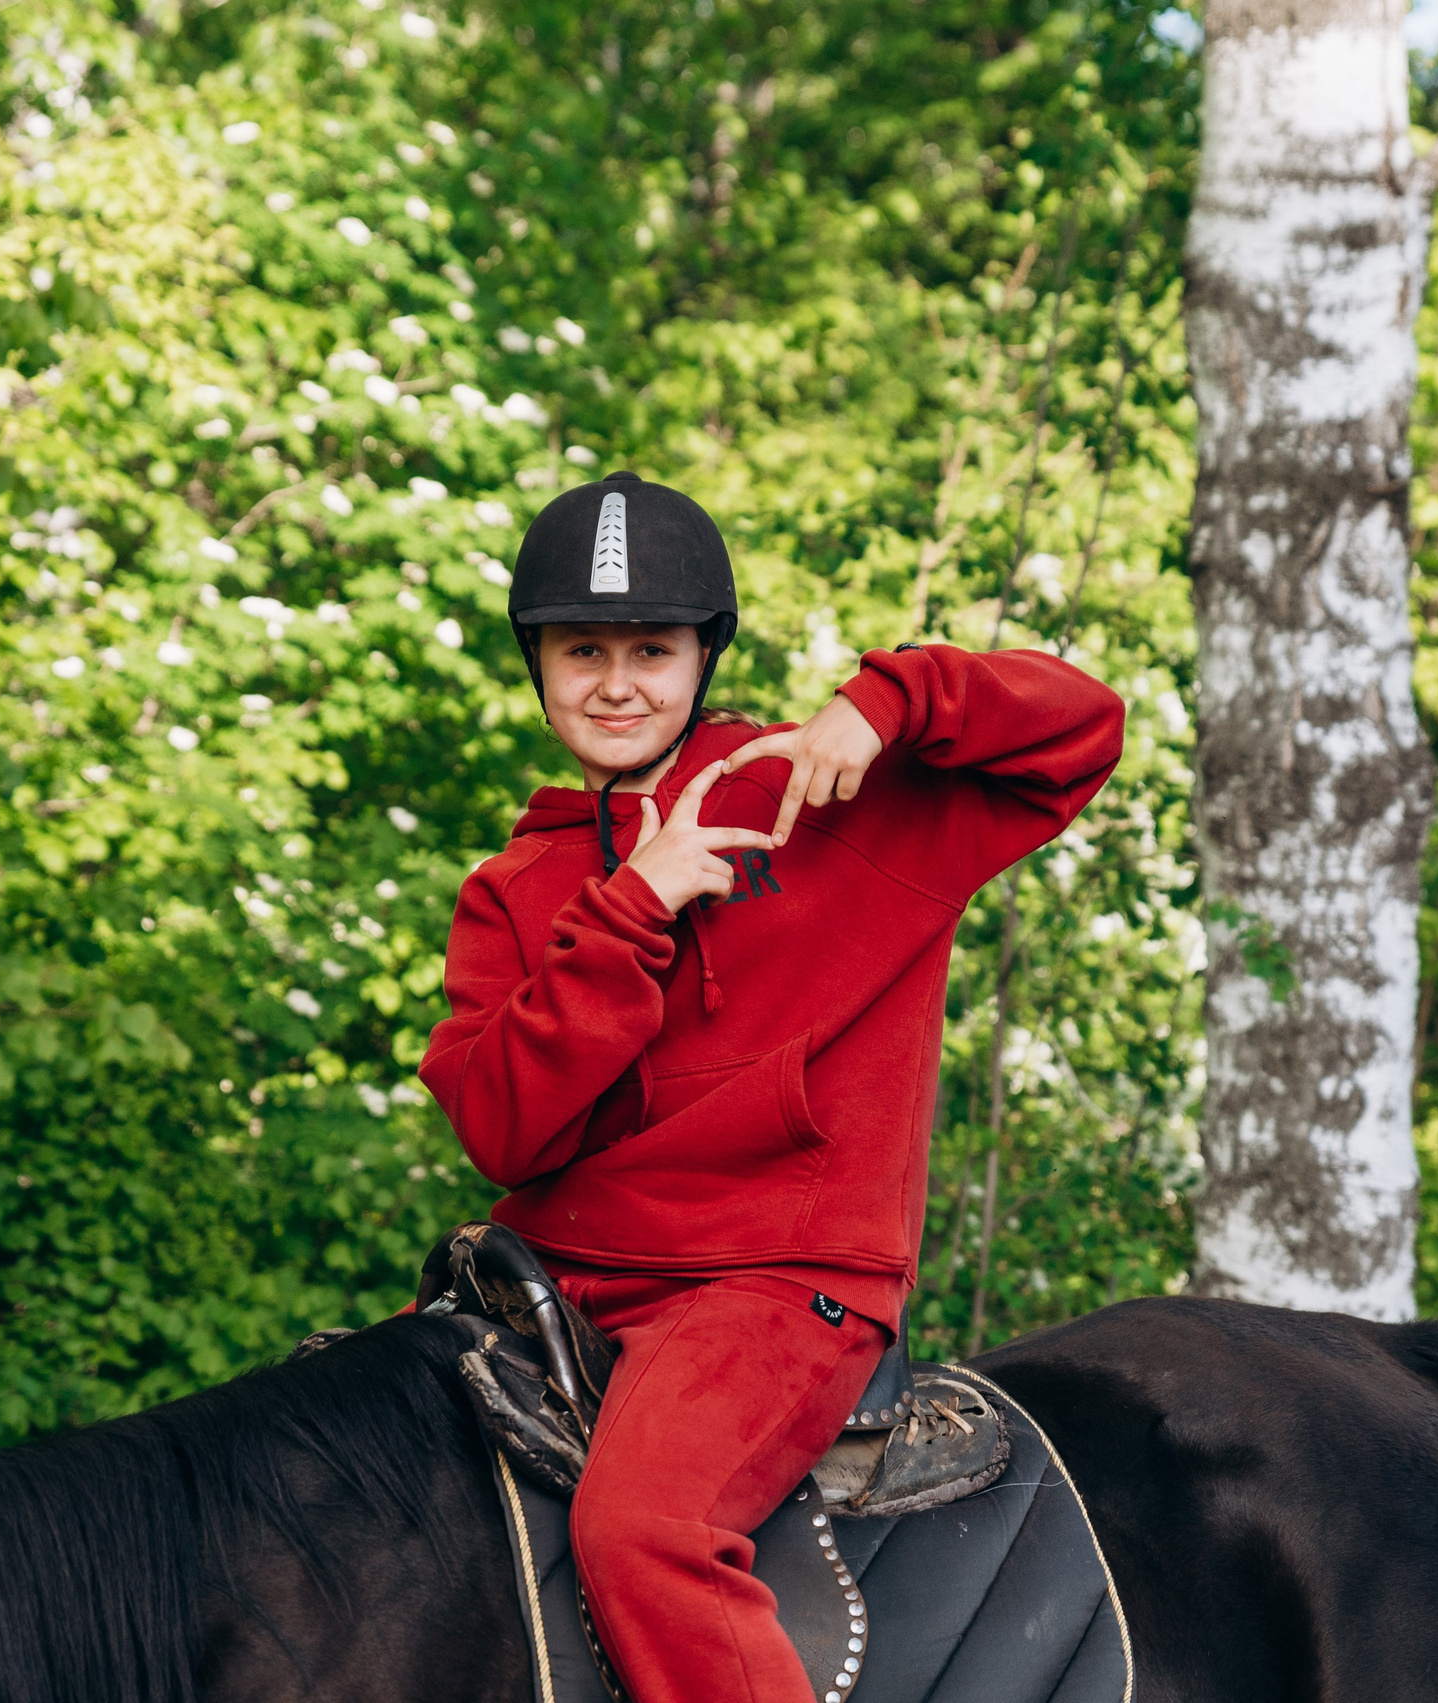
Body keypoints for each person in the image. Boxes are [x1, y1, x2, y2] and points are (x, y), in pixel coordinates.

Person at [419, 470, 1124, 1703]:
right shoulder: (513, 886)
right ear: (538, 665)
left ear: (704, 656)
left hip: (770, 1282)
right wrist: (632, 906)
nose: (616, 683)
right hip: (554, 1281)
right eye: (582, 650)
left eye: (652, 649)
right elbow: (502, 1129)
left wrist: (891, 700)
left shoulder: (829, 798)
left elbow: (1083, 728)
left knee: (645, 1533)